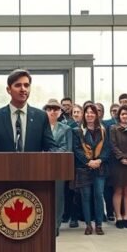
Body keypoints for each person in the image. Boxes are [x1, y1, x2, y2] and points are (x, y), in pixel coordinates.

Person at [0, 70, 57, 153]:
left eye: (26, 85)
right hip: (4, 165)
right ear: (8, 89)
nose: (23, 89)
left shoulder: (41, 116)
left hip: (34, 165)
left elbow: (51, 146)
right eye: (18, 85)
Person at [73, 103, 109, 235]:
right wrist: (88, 162)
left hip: (100, 168)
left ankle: (98, 224)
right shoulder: (78, 130)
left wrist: (99, 160)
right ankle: (88, 225)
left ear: (96, 115)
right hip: (84, 168)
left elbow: (107, 148)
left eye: (92, 112)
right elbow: (76, 149)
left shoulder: (103, 130)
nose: (89, 114)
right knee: (86, 197)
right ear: (84, 114)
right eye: (87, 112)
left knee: (98, 196)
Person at [43, 99, 73, 234]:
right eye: (49, 109)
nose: (52, 112)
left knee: (58, 196)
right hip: (42, 166)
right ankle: (45, 223)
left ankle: (56, 224)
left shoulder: (66, 128)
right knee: (44, 195)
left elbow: (67, 148)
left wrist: (51, 153)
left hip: (58, 166)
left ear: (60, 111)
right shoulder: (40, 127)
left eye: (55, 109)